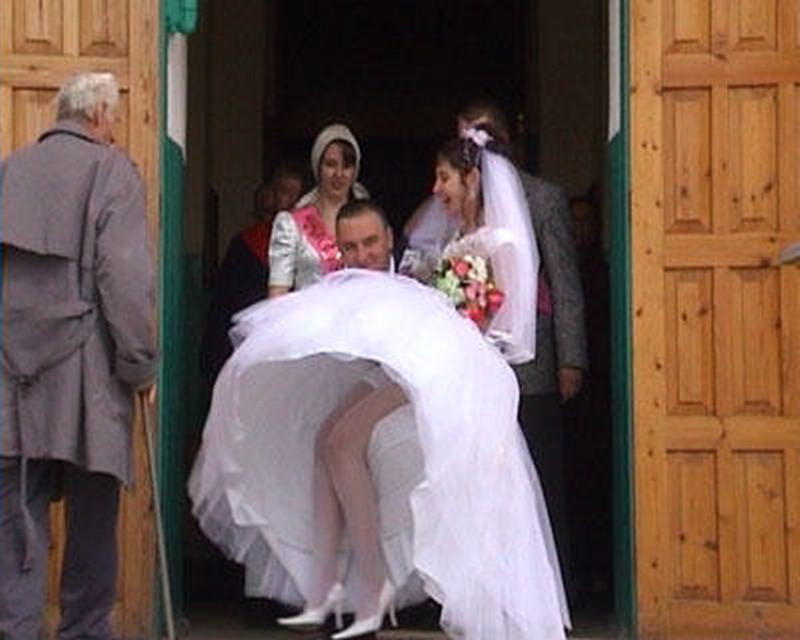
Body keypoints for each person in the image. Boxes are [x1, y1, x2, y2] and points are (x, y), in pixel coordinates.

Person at [189, 134, 570, 639]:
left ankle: (372, 588)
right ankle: (338, 587)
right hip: (422, 360)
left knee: (347, 443)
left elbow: (502, 324)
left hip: (450, 368)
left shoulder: (499, 242)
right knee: (330, 438)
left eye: (445, 178)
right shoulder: (459, 234)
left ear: (472, 179)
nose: (437, 188)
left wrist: (451, 310)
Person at [405, 99, 587, 591]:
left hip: (531, 354)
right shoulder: (456, 207)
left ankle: (553, 588)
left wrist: (571, 358)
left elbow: (563, 280)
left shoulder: (542, 197)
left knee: (538, 472)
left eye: (479, 135)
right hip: (474, 362)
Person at [0, 72, 158, 640]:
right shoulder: (112, 172)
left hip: (10, 376)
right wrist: (141, 366)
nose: (114, 131)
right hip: (87, 375)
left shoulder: (8, 172)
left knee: (14, 519)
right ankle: (84, 631)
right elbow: (126, 280)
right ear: (97, 115)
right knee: (92, 521)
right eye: (113, 119)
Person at [200, 163, 304, 382]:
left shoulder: (309, 249)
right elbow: (225, 307)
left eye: (298, 195)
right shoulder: (245, 245)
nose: (292, 202)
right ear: (271, 195)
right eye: (285, 192)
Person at [267, 123, 369, 298]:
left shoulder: (368, 223)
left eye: (346, 166)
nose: (339, 174)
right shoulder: (291, 225)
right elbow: (278, 293)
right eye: (331, 164)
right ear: (318, 167)